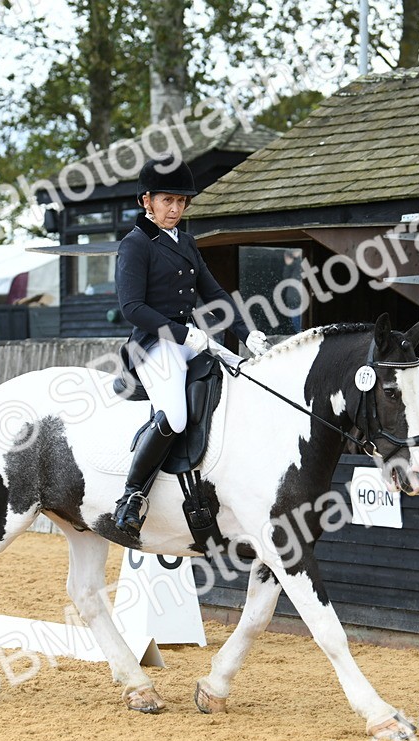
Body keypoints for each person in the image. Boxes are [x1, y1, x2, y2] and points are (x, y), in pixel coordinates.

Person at [113, 154, 270, 536]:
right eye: (168, 200)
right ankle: (131, 496)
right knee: (176, 415)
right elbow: (132, 307)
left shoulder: (185, 241)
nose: (176, 209)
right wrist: (183, 334)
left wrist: (247, 332)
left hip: (188, 339)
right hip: (153, 344)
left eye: (182, 202)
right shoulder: (135, 245)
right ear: (146, 201)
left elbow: (213, 293)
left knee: (241, 376)